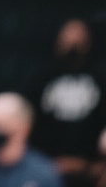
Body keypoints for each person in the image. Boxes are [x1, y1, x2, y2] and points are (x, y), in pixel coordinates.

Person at [29, 18, 106, 187]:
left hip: (91, 167)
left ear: (88, 41)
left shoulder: (101, 80)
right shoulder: (41, 80)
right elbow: (30, 122)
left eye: (78, 37)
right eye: (68, 37)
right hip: (46, 166)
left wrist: (94, 165)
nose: (73, 43)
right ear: (58, 41)